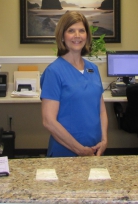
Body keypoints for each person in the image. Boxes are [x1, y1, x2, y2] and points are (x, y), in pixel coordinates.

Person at [40, 11, 108, 157]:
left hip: (95, 151)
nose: (77, 35)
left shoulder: (93, 69)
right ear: (62, 36)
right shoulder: (54, 72)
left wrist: (104, 140)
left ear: (87, 36)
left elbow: (101, 110)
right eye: (71, 31)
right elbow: (48, 121)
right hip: (65, 154)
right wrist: (80, 150)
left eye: (81, 31)